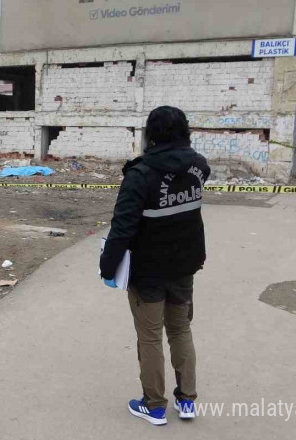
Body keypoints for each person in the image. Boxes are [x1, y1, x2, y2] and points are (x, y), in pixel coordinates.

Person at [100, 106, 210, 427]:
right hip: (183, 267)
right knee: (180, 329)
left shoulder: (141, 175)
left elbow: (122, 228)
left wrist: (108, 267)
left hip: (148, 272)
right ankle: (187, 401)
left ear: (151, 134)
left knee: (149, 337)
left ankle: (155, 405)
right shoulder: (198, 168)